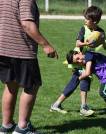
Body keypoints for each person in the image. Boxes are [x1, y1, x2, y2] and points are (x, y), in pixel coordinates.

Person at [0, 0, 58, 134]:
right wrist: (46, 45)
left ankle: (6, 125)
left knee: (10, 86)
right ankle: (22, 127)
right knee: (32, 85)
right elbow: (27, 24)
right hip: (21, 50)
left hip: (3, 49)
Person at [50, 5, 106, 117]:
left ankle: (57, 104)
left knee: (77, 81)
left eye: (87, 19)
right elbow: (77, 43)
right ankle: (82, 107)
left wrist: (101, 41)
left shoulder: (100, 31)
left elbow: (105, 46)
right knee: (83, 80)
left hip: (88, 59)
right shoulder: (83, 28)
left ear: (94, 21)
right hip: (78, 58)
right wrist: (87, 43)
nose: (85, 21)